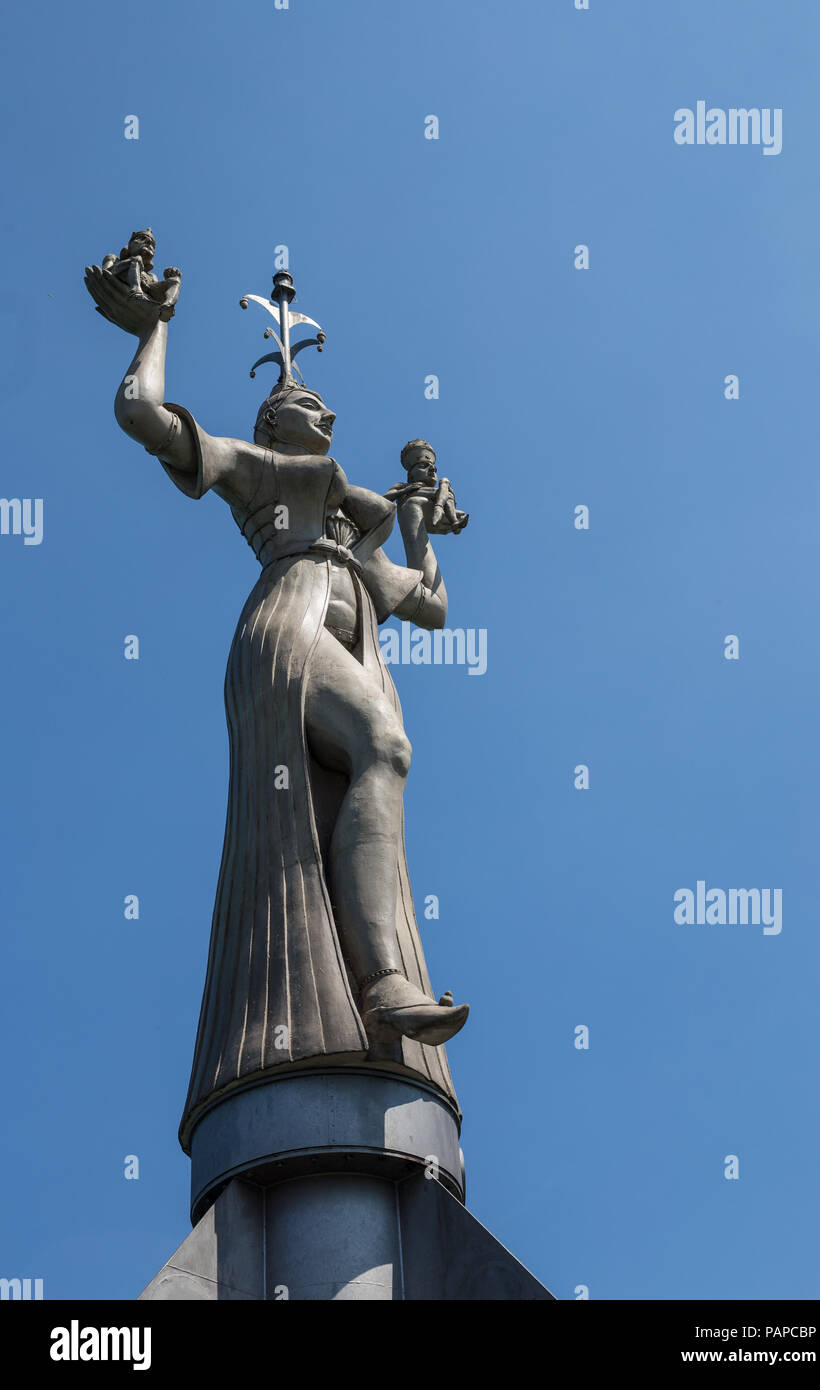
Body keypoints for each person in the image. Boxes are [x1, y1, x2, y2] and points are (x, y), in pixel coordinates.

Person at [84, 259, 469, 1143]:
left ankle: (376, 979)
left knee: (380, 762)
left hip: (358, 638)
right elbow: (142, 415)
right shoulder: (264, 473)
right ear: (272, 420)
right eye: (308, 406)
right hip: (287, 625)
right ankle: (385, 986)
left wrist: (416, 527)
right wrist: (154, 328)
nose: (325, 414)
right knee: (385, 751)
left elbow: (435, 606)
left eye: (328, 409)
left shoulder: (350, 531)